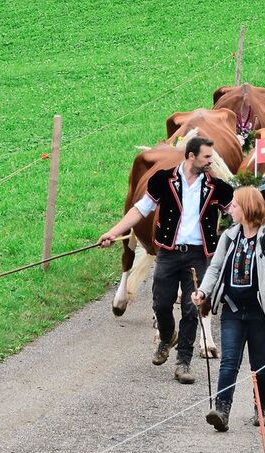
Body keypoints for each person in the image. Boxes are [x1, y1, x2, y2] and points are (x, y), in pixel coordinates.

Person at [98, 136, 235, 384]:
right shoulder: (163, 180)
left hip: (198, 256)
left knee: (191, 308)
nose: (211, 162)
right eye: (206, 157)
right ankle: (167, 335)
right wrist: (114, 232)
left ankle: (183, 363)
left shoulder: (216, 187)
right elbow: (140, 209)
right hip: (168, 253)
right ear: (191, 156)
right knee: (161, 303)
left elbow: (238, 211)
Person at [193, 187, 265, 431]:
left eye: (235, 205)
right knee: (229, 361)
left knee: (259, 363)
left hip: (262, 313)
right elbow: (215, 268)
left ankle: (262, 407)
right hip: (233, 310)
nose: (230, 209)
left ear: (247, 209)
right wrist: (203, 292)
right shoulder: (229, 237)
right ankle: (222, 410)